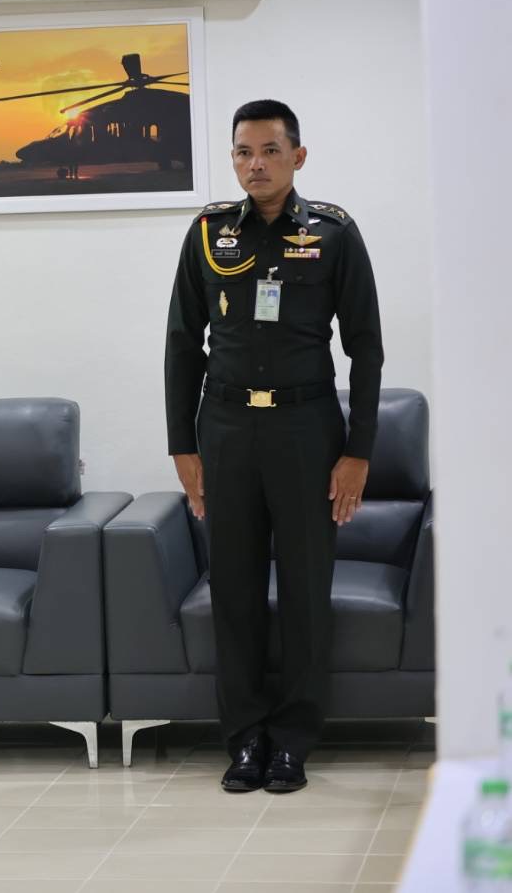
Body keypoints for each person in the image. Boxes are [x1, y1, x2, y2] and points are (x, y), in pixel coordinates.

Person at [164, 100, 383, 794]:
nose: (254, 164)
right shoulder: (209, 233)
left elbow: (366, 348)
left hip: (306, 430)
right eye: (242, 152)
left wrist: (358, 451)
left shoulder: (333, 233)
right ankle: (245, 738)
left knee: (305, 591)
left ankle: (292, 740)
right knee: (233, 588)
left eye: (268, 150)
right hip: (226, 430)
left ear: (297, 156)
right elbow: (182, 344)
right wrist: (182, 446)